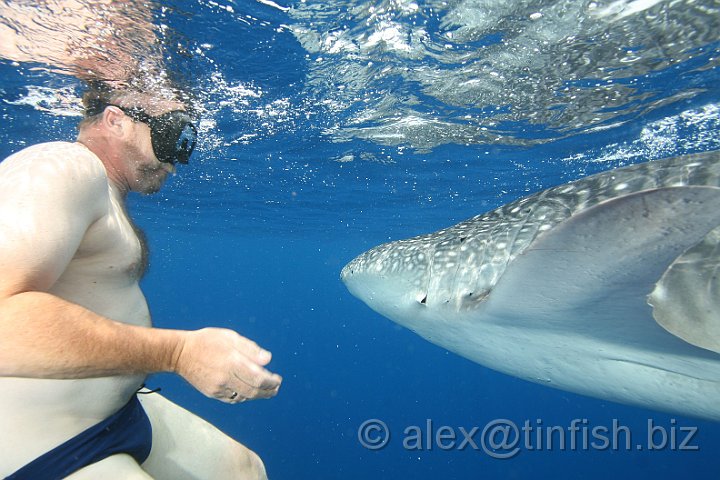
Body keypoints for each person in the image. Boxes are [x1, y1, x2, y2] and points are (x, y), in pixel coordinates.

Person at [0, 87, 282, 479]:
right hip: (47, 444)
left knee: (245, 470)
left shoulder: (101, 189)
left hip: (116, 412)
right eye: (170, 135)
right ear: (115, 120)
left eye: (185, 145)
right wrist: (178, 353)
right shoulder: (64, 167)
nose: (174, 163)